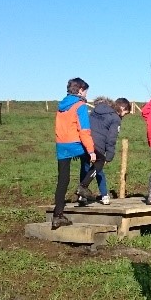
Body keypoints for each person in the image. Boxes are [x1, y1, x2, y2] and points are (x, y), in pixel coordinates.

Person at [52, 78, 96, 229]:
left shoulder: (61, 106)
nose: (87, 95)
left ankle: (57, 216)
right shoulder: (80, 106)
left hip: (61, 145)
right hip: (75, 143)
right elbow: (84, 131)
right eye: (86, 91)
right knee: (100, 159)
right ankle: (83, 186)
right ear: (80, 90)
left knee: (63, 180)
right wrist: (91, 151)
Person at [75, 96, 131, 206]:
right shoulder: (115, 118)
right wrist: (109, 155)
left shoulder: (95, 111)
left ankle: (82, 196)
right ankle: (102, 194)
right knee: (98, 166)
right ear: (122, 108)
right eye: (126, 113)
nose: (124, 116)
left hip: (85, 142)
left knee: (86, 167)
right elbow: (111, 138)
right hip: (98, 145)